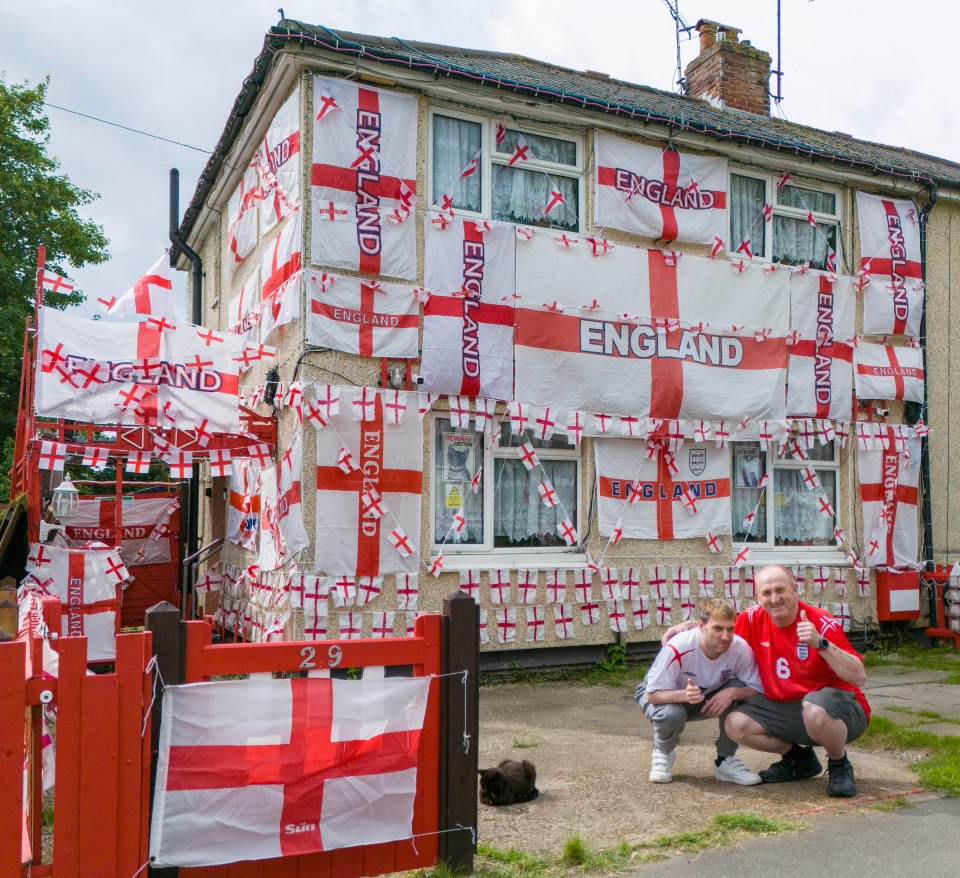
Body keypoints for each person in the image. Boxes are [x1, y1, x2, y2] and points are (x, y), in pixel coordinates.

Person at [663, 565, 869, 797]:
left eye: (780, 590)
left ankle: (839, 765)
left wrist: (820, 643)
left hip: (839, 712)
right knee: (735, 725)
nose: (774, 598)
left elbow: (858, 675)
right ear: (757, 597)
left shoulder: (820, 622)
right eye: (766, 593)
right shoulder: (753, 619)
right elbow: (722, 629)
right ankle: (799, 760)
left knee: (814, 708)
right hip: (789, 709)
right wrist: (687, 627)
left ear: (795, 590)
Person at [636, 597, 764, 785]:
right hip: (663, 695)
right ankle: (663, 752)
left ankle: (725, 761)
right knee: (672, 713)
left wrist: (732, 693)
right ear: (701, 626)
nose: (726, 636)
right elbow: (652, 695)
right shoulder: (678, 647)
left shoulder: (740, 648)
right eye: (718, 628)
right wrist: (683, 695)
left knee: (738, 688)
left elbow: (757, 687)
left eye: (730, 628)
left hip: (700, 696)